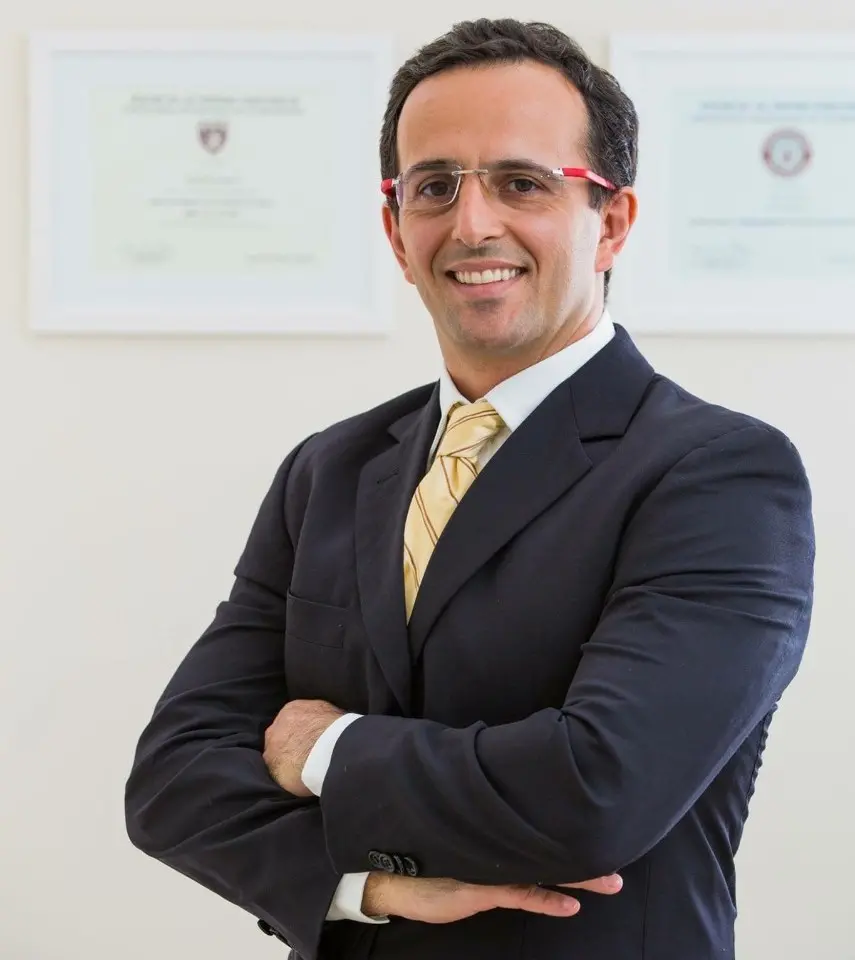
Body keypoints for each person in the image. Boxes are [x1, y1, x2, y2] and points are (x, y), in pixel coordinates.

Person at [124, 18, 815, 960]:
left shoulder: (718, 474)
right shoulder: (329, 469)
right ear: (395, 230)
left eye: (521, 183)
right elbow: (172, 781)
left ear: (611, 222)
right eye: (434, 187)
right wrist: (370, 890)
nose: (472, 224)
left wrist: (324, 748)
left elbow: (595, 792)